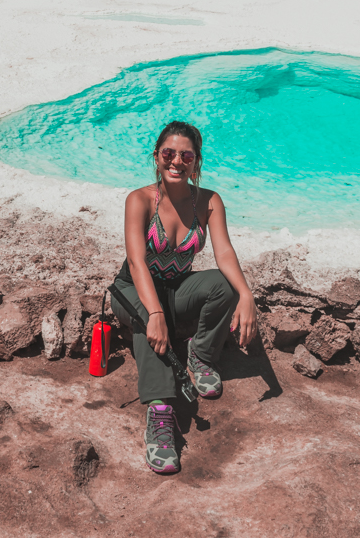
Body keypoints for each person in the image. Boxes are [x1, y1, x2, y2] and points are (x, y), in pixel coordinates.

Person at [110, 120, 257, 474]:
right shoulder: (140, 199)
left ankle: (201, 355)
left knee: (223, 285)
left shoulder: (208, 202)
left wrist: (246, 295)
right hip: (133, 287)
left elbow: (224, 253)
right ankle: (160, 413)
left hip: (175, 286)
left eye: (186, 155)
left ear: (197, 161)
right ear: (157, 156)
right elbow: (136, 260)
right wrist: (157, 313)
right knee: (149, 320)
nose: (177, 161)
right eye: (169, 153)